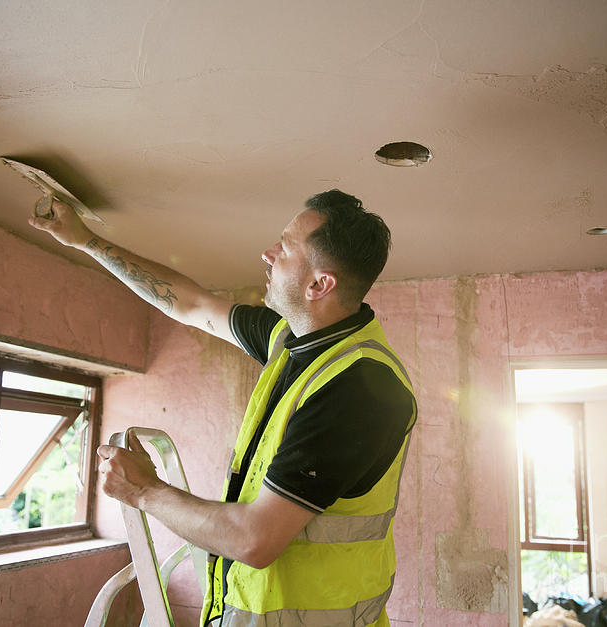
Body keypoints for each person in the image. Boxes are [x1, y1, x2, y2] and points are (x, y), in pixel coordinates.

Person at [30, 189, 417, 626]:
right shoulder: (290, 341)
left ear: (318, 284)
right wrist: (86, 241)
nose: (268, 254)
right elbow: (190, 303)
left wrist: (142, 490)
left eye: (285, 248)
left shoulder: (358, 388)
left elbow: (255, 539)